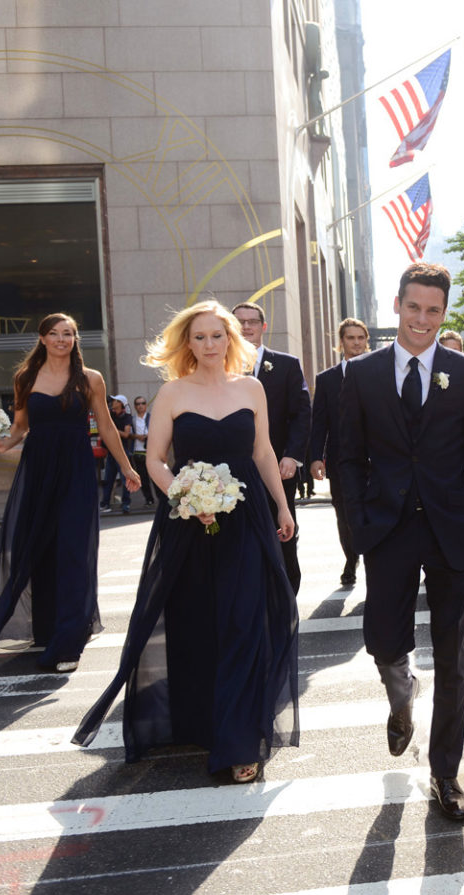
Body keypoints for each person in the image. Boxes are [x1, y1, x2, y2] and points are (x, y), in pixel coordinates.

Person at [73, 300, 298, 785]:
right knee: (197, 624)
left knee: (244, 622)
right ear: (187, 343)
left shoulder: (252, 388)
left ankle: (238, 741)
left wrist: (281, 505)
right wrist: (185, 494)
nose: (209, 345)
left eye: (217, 335)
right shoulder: (173, 393)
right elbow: (155, 459)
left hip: (246, 520)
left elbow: (262, 452)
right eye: (200, 337)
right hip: (190, 522)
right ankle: (201, 721)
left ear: (231, 339)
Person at [337, 261, 464, 821]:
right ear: (397, 305)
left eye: (434, 310)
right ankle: (401, 689)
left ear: (443, 312)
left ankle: (445, 773)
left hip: (451, 528)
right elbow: (346, 459)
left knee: (453, 651)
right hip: (386, 529)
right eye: (414, 307)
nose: (423, 319)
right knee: (383, 639)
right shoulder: (360, 374)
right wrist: (355, 525)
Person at [0, 313, 141, 673]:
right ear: (42, 338)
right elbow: (20, 428)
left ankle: (68, 642)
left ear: (75, 339)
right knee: (40, 548)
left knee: (72, 549)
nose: (62, 339)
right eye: (54, 334)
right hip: (37, 470)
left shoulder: (89, 379)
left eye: (68, 334)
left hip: (76, 470)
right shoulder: (26, 378)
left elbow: (108, 428)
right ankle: (48, 629)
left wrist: (127, 469)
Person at [232, 300, 311, 593]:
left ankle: (288, 594)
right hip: (233, 470)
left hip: (278, 467)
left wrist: (292, 455)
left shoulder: (286, 365)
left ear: (263, 327)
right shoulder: (219, 369)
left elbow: (302, 413)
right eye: (240, 321)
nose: (246, 327)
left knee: (283, 532)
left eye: (252, 321)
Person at [310, 317, 370, 587]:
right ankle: (350, 557)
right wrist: (314, 457)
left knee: (376, 511)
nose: (356, 342)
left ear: (366, 340)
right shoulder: (326, 379)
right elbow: (319, 421)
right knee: (343, 513)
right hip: (340, 460)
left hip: (377, 459)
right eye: (350, 338)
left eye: (360, 337)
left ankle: (374, 558)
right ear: (341, 342)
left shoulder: (379, 371)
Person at [99, 395, 135, 514]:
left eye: (115, 401)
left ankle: (126, 504)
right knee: (108, 479)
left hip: (123, 450)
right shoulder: (111, 414)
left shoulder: (127, 417)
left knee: (125, 479)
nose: (112, 403)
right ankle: (105, 504)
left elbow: (126, 434)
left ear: (120, 403)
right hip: (111, 451)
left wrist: (112, 429)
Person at [129, 396, 156, 508]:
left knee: (155, 478)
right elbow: (129, 434)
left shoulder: (152, 417)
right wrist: (137, 436)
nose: (140, 405)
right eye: (138, 404)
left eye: (143, 403)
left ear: (146, 405)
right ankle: (149, 500)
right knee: (143, 479)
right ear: (135, 406)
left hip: (151, 451)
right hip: (138, 452)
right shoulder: (133, 419)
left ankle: (161, 499)